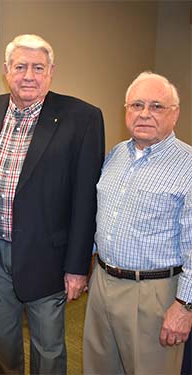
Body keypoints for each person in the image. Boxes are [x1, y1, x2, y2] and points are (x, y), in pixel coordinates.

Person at [0, 34, 105, 374]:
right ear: (6, 71)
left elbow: (85, 200)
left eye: (38, 67)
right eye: (20, 67)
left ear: (51, 72)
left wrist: (78, 265)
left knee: (48, 347)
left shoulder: (82, 118)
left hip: (47, 255)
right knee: (1, 339)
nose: (29, 76)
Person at [83, 71, 192, 374]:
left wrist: (185, 307)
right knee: (98, 368)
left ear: (175, 113)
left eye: (157, 106)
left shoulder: (188, 166)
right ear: (126, 111)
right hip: (103, 283)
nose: (145, 114)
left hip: (155, 295)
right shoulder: (116, 155)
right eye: (136, 105)